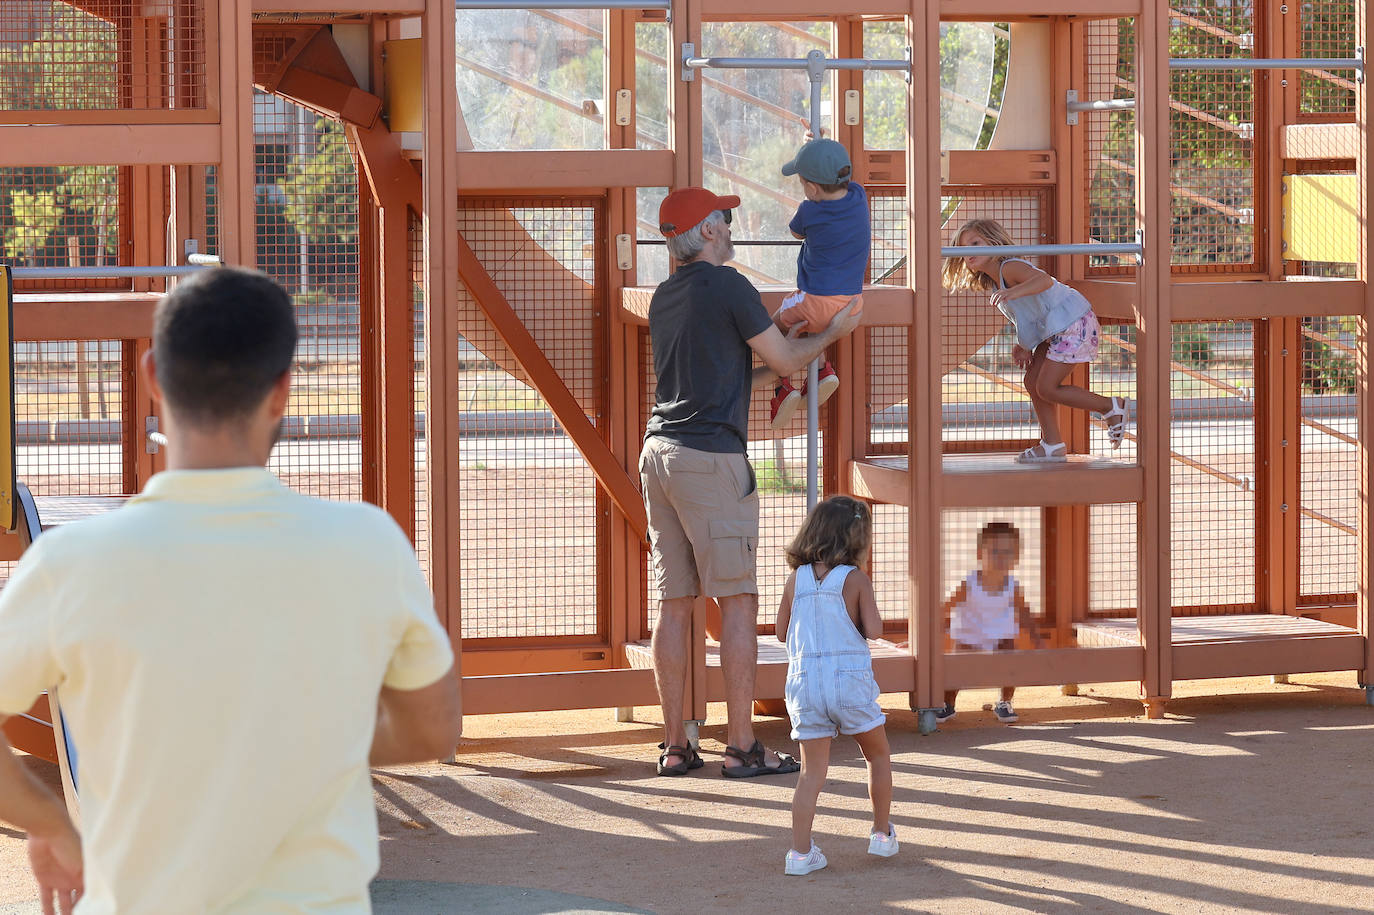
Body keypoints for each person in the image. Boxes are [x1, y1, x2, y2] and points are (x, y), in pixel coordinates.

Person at [0, 267, 460, 914]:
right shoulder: (368, 544)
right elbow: (432, 728)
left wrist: (49, 820)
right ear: (282, 391)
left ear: (153, 376)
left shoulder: (69, 562)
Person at [642, 187, 862, 779]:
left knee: (674, 601)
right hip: (711, 457)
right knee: (737, 601)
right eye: (726, 218)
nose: (732, 226)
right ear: (708, 231)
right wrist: (834, 333)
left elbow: (747, 372)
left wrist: (800, 355)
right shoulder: (729, 285)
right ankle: (742, 747)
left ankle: (676, 745)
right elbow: (786, 363)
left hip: (658, 454)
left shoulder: (665, 297)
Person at [942, 218, 1130, 463]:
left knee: (1047, 387)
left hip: (1073, 324)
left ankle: (1109, 406)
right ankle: (1052, 444)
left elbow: (1044, 281)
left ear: (994, 241)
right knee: (1032, 381)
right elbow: (1030, 315)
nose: (969, 253)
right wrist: (1024, 346)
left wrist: (1013, 291)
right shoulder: (995, 280)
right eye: (962, 249)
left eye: (975, 243)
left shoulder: (1008, 267)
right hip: (1056, 329)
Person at [775, 495, 895, 876]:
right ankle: (880, 833)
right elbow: (873, 630)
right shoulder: (856, 579)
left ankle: (799, 853)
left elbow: (781, 632)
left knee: (811, 772)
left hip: (805, 684)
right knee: (877, 755)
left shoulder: (796, 579)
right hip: (848, 682)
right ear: (857, 539)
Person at [769, 137, 870, 429]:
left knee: (776, 327)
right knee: (809, 327)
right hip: (851, 303)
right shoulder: (858, 195)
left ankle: (783, 387)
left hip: (816, 299)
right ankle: (822, 370)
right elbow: (835, 174)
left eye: (803, 184)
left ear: (812, 188)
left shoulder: (809, 210)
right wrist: (816, 149)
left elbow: (795, 233)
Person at [938, 521, 1045, 725]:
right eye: (995, 552)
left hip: (999, 635)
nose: (1001, 558)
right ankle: (948, 702)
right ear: (980, 554)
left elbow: (1024, 613)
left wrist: (1036, 638)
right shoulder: (968, 583)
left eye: (1008, 553)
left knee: (1010, 658)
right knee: (957, 667)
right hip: (969, 635)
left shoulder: (1012, 586)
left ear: (1016, 557)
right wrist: (925, 637)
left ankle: (1004, 702)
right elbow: (945, 609)